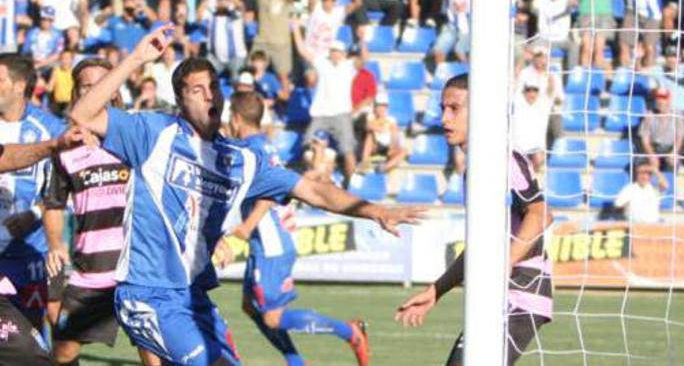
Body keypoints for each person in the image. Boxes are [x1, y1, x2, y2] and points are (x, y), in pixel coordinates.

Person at [67, 26, 422, 366]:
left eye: (214, 87)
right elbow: (83, 113)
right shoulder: (152, 132)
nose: (210, 95)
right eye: (197, 89)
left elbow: (314, 190)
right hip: (148, 296)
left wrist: (374, 209)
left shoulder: (242, 160)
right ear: (179, 99)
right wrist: (135, 60)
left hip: (194, 301)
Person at [395, 74, 554, 366]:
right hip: (500, 290)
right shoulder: (475, 168)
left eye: (454, 108)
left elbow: (540, 213)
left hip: (522, 290)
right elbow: (482, 247)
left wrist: (504, 265)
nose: (444, 118)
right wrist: (435, 291)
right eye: (443, 108)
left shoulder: (503, 159)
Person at [225, 91, 370, 366]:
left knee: (272, 317)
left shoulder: (252, 150)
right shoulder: (263, 145)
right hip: (270, 239)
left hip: (270, 243)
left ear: (235, 118)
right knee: (250, 305)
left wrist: (247, 225)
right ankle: (297, 363)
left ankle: (350, 332)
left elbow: (271, 192)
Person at [43, 57, 160, 366]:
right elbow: (53, 204)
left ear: (113, 91)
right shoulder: (66, 147)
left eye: (100, 86)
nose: (93, 92)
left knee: (153, 355)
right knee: (64, 350)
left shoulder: (133, 135)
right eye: (86, 87)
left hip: (136, 270)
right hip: (89, 273)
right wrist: (56, 244)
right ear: (75, 93)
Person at [0, 54, 66, 357]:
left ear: (19, 85)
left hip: (29, 255)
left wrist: (35, 213)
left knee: (32, 344)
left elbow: (61, 191)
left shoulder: (50, 129)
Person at [293, 29, 368, 182]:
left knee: (348, 150)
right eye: (333, 51)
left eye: (338, 51)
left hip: (341, 114)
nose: (335, 54)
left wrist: (362, 40)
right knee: (309, 147)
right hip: (321, 114)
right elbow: (302, 51)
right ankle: (310, 183)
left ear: (344, 54)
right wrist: (295, 30)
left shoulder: (349, 66)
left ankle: (352, 186)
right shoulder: (322, 63)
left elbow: (364, 58)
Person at [237, 0, 295, 96]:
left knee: (283, 77)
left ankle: (284, 107)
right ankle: (247, 100)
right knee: (249, 71)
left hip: (281, 45)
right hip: (262, 41)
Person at [301, 0, 362, 87]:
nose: (329, 2)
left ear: (336, 1)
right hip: (310, 53)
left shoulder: (338, 12)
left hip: (327, 56)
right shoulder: (316, 9)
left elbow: (358, 3)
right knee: (311, 80)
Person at [531, 0, 579, 70]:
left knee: (575, 47)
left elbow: (575, 7)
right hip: (543, 38)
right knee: (525, 51)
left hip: (562, 39)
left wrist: (574, 4)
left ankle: (570, 77)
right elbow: (532, 8)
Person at [638, 88, 684, 171]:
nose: (660, 101)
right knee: (649, 163)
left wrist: (674, 152)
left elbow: (680, 137)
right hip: (655, 148)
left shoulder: (677, 114)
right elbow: (645, 140)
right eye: (658, 98)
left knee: (674, 161)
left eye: (663, 98)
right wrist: (652, 155)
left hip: (671, 148)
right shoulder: (649, 115)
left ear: (669, 100)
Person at [512, 77, 553, 173]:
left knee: (538, 157)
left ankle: (532, 178)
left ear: (538, 92)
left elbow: (551, 90)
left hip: (536, 148)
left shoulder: (543, 104)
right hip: (518, 146)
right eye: (528, 90)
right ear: (523, 92)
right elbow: (513, 83)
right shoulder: (518, 103)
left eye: (535, 90)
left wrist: (550, 74)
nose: (531, 93)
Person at [359, 93, 406, 174]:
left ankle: (384, 168)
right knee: (369, 136)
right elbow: (367, 126)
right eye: (379, 106)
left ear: (386, 107)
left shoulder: (391, 120)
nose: (381, 108)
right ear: (375, 107)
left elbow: (395, 137)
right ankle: (365, 162)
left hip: (387, 147)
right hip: (375, 146)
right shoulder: (370, 117)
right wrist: (380, 127)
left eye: (383, 106)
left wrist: (393, 145)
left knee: (404, 151)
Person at [45, 49, 73, 114]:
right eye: (63, 59)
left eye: (68, 58)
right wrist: (44, 85)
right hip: (58, 103)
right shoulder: (56, 71)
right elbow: (50, 88)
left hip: (70, 103)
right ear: (60, 60)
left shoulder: (74, 72)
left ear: (72, 60)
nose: (65, 61)